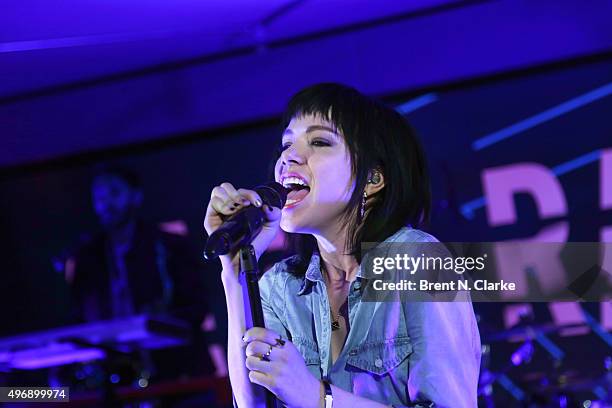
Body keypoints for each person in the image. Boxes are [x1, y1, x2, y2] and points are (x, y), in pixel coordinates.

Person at [204, 83, 481, 407]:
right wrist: (235, 273)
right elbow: (255, 404)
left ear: (372, 180)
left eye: (319, 142)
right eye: (287, 143)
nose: (288, 157)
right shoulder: (280, 287)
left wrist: (319, 399)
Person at [68, 166, 227, 380]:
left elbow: (197, 306)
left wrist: (159, 319)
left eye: (114, 193)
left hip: (177, 369)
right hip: (117, 374)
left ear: (136, 196)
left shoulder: (169, 246)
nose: (106, 204)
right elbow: (80, 316)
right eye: (99, 197)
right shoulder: (88, 256)